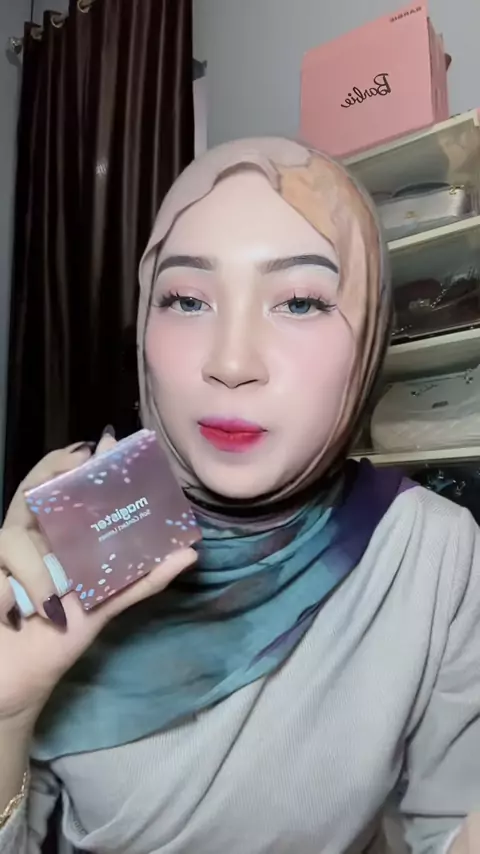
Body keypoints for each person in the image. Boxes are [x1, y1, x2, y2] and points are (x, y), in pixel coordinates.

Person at [0, 138, 479, 854]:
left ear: (371, 332)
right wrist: (6, 715)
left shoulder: (430, 551)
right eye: (187, 299)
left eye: (300, 302)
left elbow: (446, 824)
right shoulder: (86, 524)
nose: (230, 362)